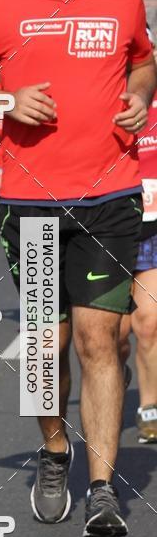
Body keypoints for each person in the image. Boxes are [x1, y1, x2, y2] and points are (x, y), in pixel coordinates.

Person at [0, 0, 157, 537]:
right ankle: (54, 448)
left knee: (104, 338)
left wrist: (138, 92)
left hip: (110, 194)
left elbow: (146, 61)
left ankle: (101, 488)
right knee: (48, 345)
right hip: (32, 200)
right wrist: (2, 100)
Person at [120, 31, 157, 443]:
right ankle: (112, 378)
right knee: (117, 337)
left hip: (152, 225)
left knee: (149, 322)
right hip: (107, 224)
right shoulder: (98, 100)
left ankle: (149, 406)